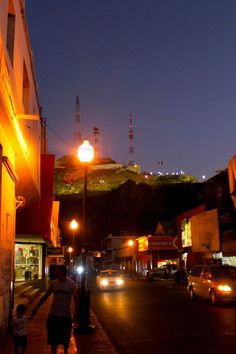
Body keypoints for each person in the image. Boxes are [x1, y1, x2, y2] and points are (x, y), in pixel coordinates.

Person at [30, 264, 77, 354]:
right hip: (53, 315)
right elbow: (45, 296)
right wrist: (36, 307)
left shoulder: (71, 284)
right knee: (53, 340)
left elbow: (76, 300)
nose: (55, 273)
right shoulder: (54, 283)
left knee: (66, 339)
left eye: (57, 271)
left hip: (65, 316)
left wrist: (75, 314)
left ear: (63, 272)